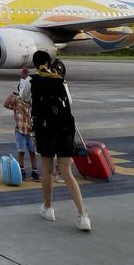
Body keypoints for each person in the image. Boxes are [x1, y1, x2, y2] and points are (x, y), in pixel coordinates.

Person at [20, 50, 91, 232]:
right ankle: (83, 216)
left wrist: (23, 80)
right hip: (65, 129)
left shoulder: (32, 81)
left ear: (35, 64)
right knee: (66, 172)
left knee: (47, 170)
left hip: (45, 130)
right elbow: (70, 102)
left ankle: (48, 208)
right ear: (50, 62)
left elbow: (24, 98)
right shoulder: (60, 80)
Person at [4, 87, 40, 181]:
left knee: (33, 151)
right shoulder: (17, 100)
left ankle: (34, 171)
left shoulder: (32, 100)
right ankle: (22, 169)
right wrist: (12, 94)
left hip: (31, 130)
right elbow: (6, 104)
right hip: (20, 129)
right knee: (21, 151)